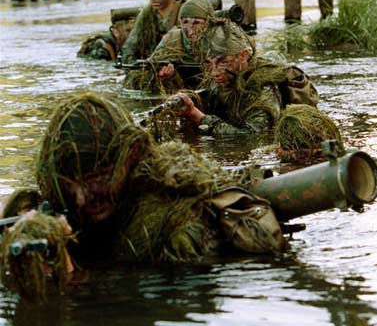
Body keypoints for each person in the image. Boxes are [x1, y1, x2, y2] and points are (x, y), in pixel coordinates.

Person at [0, 92, 286, 300]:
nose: (86, 196)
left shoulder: (174, 222)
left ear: (130, 160)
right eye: (74, 182)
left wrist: (73, 275)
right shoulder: (52, 212)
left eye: (100, 177)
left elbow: (163, 301)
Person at [168, 20, 319, 136]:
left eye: (223, 62)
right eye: (208, 63)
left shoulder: (262, 88)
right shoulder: (223, 77)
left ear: (243, 56)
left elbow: (252, 136)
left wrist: (197, 116)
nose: (214, 72)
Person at [121, 0, 182, 64]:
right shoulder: (146, 14)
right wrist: (132, 66)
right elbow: (130, 47)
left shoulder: (183, 13)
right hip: (150, 64)